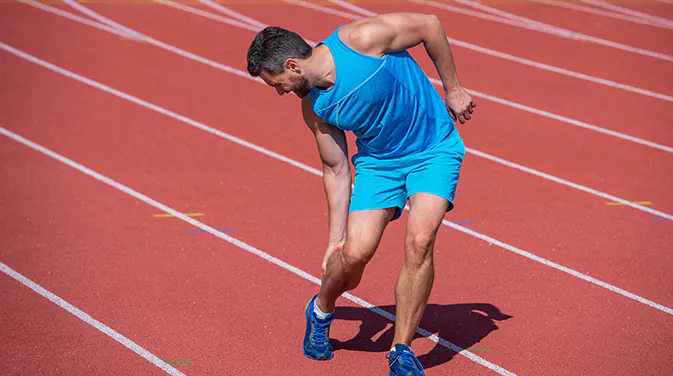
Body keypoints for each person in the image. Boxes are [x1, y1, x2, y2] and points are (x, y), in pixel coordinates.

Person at [246, 12, 475, 376]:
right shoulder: (315, 107)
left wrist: (453, 88)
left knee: (420, 240)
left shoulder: (361, 39)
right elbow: (335, 169)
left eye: (278, 83)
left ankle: (401, 350)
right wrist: (335, 237)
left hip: (434, 148)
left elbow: (430, 25)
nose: (280, 92)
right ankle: (321, 310)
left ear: (292, 64)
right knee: (354, 254)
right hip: (379, 165)